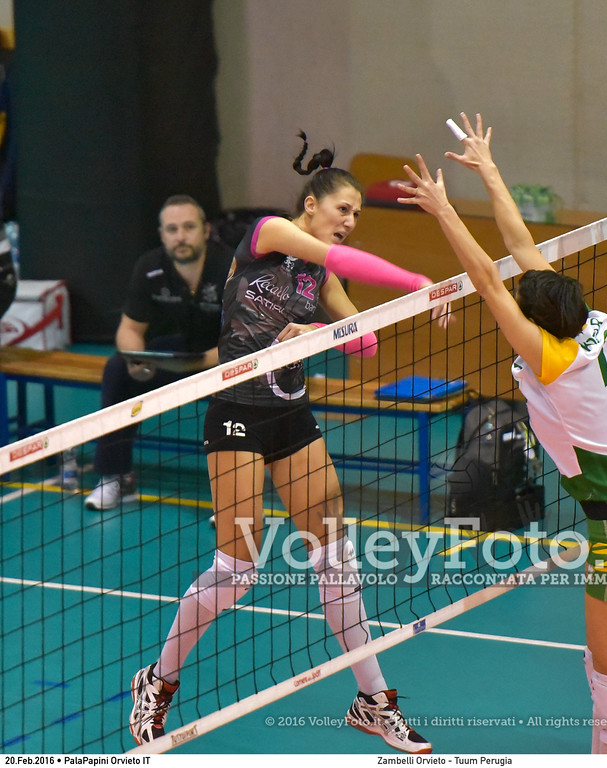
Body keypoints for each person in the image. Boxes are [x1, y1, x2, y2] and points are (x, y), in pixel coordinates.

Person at [129, 133, 446, 754]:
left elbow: (364, 344)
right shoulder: (268, 233)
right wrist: (413, 281)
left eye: (358, 214)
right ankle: (158, 680)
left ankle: (373, 701)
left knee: (336, 556)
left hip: (292, 416)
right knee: (238, 569)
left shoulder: (320, 271)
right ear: (311, 206)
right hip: (238, 411)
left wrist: (320, 328)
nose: (351, 223)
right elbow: (357, 270)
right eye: (344, 210)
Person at [399, 113, 607, 754]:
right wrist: (490, 171)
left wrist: (443, 210)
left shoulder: (555, 359)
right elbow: (522, 253)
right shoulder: (589, 321)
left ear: (538, 325)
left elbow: (489, 279)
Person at [84, 194, 232, 510]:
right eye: (172, 229)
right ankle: (115, 476)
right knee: (117, 370)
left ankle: (234, 496)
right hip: (177, 354)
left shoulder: (230, 268)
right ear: (162, 234)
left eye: (189, 227)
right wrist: (137, 359)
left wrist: (202, 363)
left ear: (206, 231)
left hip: (226, 358)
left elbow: (244, 339)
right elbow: (130, 329)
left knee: (238, 397)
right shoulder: (150, 266)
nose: (180, 236)